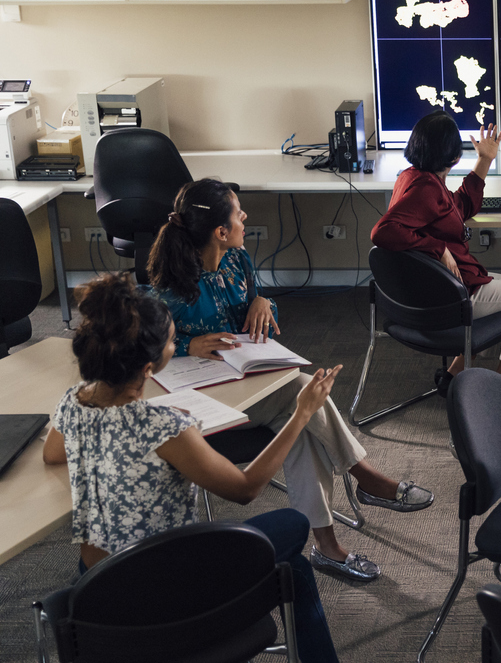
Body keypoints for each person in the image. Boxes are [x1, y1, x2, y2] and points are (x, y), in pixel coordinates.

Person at [42, 273, 412, 663]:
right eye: (170, 343)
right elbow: (246, 489)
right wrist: (301, 413)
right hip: (175, 599)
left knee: (289, 560)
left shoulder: (74, 402)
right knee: (293, 528)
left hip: (101, 601)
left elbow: (52, 453)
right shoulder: (166, 428)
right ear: (148, 368)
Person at [148, 178, 433, 583]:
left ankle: (328, 548)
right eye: (238, 213)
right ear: (220, 231)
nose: (246, 218)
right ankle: (364, 478)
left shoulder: (237, 261)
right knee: (302, 392)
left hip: (250, 385)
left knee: (300, 425)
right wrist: (186, 344)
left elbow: (261, 312)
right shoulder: (171, 286)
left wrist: (265, 302)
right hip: (202, 405)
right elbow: (135, 345)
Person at [371, 111, 501, 399]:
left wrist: (485, 159)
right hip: (453, 296)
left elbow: (459, 206)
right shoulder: (426, 190)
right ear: (454, 157)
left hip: (427, 293)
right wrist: (438, 248)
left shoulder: (414, 178)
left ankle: (455, 373)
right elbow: (382, 232)